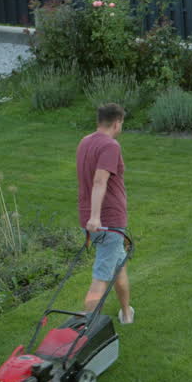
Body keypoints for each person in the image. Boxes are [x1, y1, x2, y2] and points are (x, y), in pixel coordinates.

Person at [76, 103, 133, 323]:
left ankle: (126, 314)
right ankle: (84, 332)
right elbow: (99, 180)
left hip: (94, 219)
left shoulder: (85, 142)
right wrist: (96, 216)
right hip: (106, 221)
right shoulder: (111, 146)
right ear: (117, 123)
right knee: (101, 278)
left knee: (118, 267)